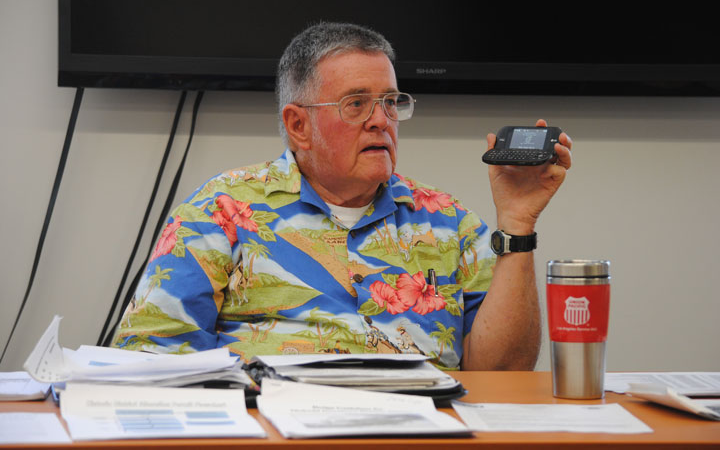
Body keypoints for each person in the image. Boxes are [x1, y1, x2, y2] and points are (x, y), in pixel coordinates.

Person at [111, 22, 572, 370]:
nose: (380, 120)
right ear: (298, 125)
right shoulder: (222, 210)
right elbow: (150, 358)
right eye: (356, 104)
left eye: (390, 102)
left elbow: (505, 373)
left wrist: (516, 223)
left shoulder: (447, 221)